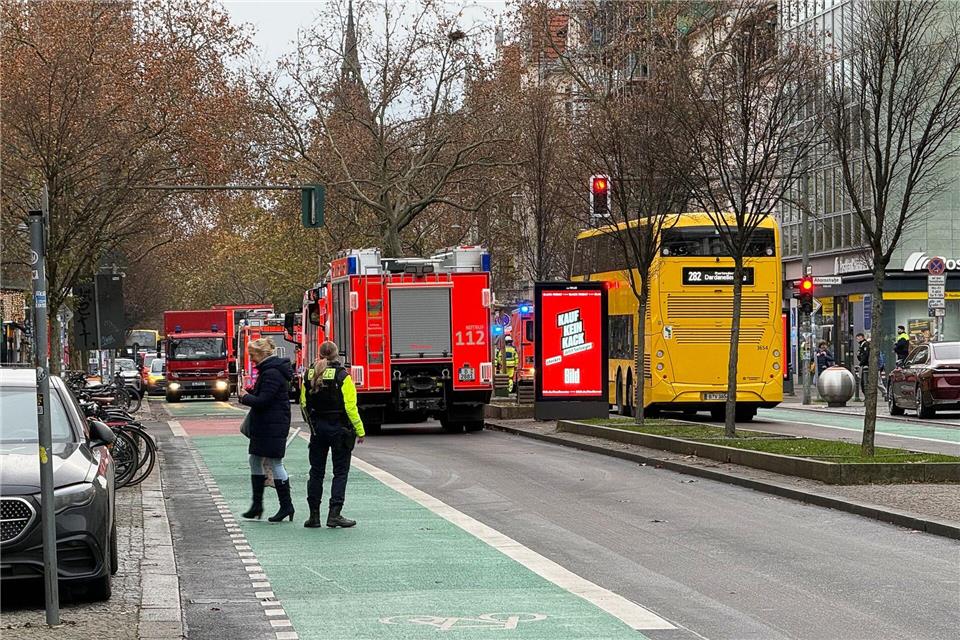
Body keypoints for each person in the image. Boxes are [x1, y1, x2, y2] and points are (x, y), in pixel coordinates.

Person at [300, 341, 365, 529]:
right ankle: (334, 514)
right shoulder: (343, 376)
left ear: (320, 354)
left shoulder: (309, 374)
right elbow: (350, 407)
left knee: (316, 472)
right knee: (340, 472)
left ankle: (313, 516)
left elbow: (303, 403)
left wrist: (312, 425)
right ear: (337, 355)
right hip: (340, 430)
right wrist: (359, 430)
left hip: (318, 430)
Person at [239, 337, 295, 523]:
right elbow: (265, 396)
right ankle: (258, 505)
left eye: (253, 355)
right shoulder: (271, 371)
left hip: (272, 425)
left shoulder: (271, 373)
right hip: (268, 424)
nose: (252, 360)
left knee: (275, 462)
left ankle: (285, 505)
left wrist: (245, 397)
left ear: (262, 354)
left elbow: (264, 401)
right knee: (255, 459)